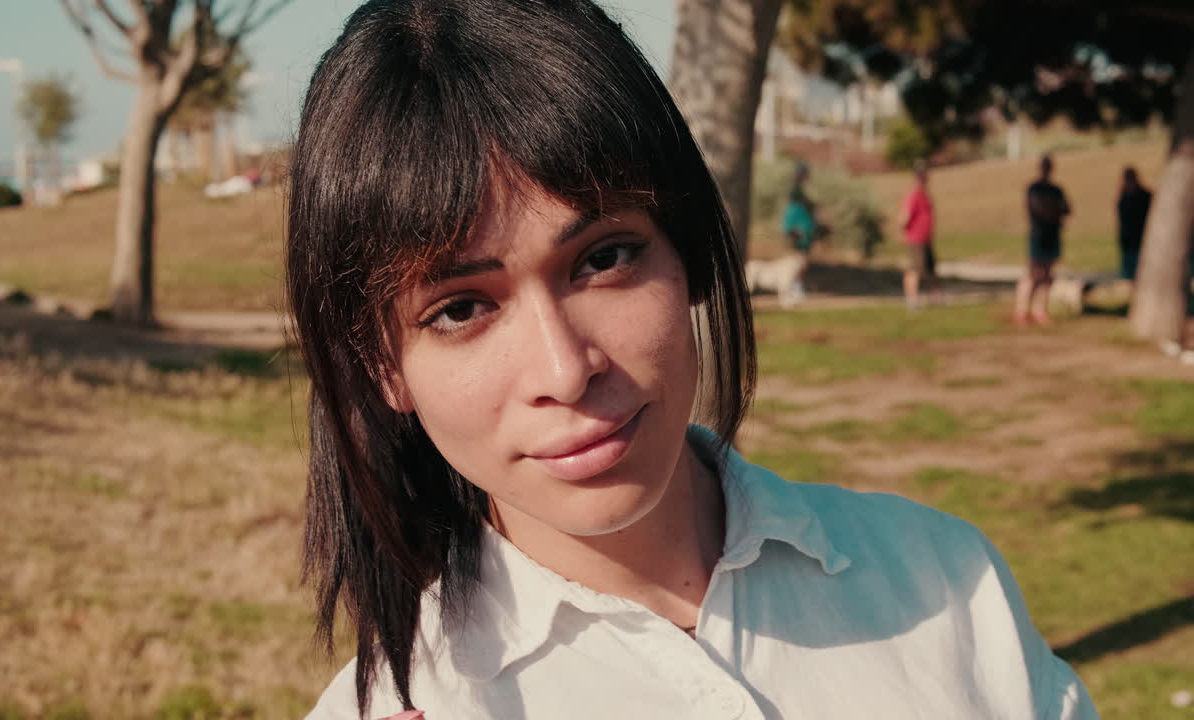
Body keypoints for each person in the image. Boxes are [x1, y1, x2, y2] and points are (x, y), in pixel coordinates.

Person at [287, 2, 1099, 719]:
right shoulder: (407, 705)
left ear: (689, 251)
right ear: (382, 363)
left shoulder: (945, 582)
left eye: (604, 259)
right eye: (461, 309)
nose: (565, 371)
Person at [1014, 154, 1071, 326]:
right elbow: (1038, 209)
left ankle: (1039, 310)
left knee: (1047, 275)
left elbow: (1067, 209)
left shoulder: (1056, 190)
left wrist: (1052, 210)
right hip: (1038, 235)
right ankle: (1021, 310)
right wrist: (1054, 211)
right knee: (1033, 273)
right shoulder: (1035, 188)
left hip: (1052, 236)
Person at [899, 160, 936, 310]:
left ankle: (934, 297)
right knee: (914, 269)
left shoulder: (925, 194)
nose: (924, 177)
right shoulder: (913, 194)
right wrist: (905, 232)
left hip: (926, 238)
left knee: (930, 268)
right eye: (920, 175)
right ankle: (912, 299)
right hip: (915, 238)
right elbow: (903, 217)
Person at [780, 162, 817, 307]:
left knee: (801, 258)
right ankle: (795, 287)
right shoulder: (795, 192)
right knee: (798, 259)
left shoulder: (799, 191)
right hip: (798, 228)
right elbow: (796, 211)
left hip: (803, 228)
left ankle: (796, 287)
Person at [1117, 166, 1152, 281]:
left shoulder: (1145, 197)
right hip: (1127, 244)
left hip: (1142, 241)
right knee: (1129, 276)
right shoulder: (1123, 198)